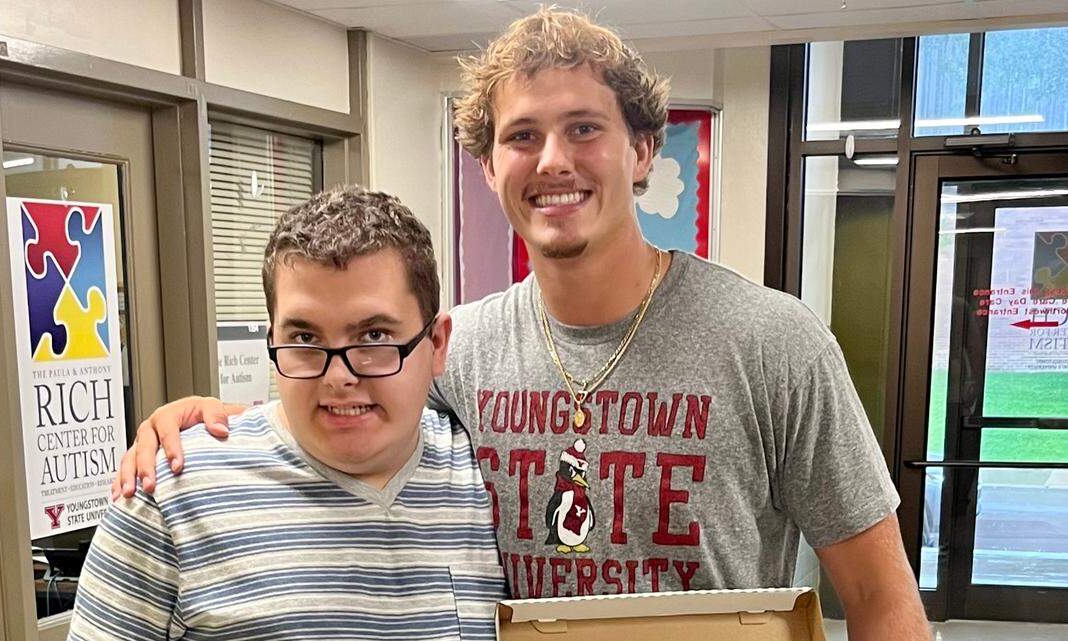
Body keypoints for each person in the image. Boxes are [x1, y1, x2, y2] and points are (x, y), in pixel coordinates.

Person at [117, 8, 931, 640]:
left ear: (644, 148)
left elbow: (881, 597)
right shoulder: (456, 348)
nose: (552, 161)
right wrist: (199, 418)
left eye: (585, 128)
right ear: (488, 164)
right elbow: (342, 400)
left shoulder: (774, 342)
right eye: (522, 136)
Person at [71, 187, 507, 640]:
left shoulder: (489, 474)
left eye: (374, 336)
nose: (338, 377)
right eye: (304, 339)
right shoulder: (171, 495)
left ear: (436, 344)